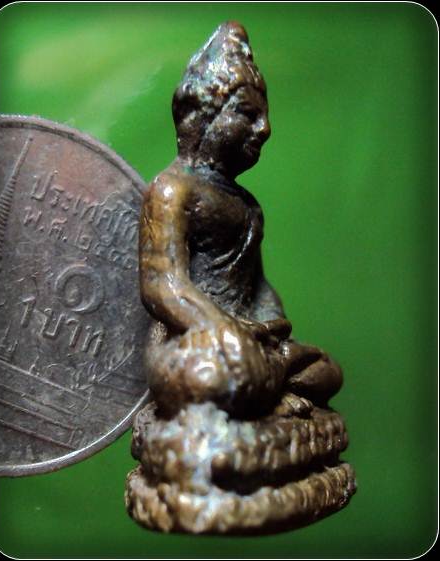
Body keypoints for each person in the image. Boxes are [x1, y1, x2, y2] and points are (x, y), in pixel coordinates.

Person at [139, 21, 342, 418]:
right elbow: (162, 285)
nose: (264, 129)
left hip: (251, 341)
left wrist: (272, 328)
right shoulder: (171, 190)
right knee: (218, 375)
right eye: (248, 114)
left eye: (263, 117)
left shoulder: (247, 204)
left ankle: (265, 384)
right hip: (193, 340)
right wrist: (221, 328)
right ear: (203, 117)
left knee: (326, 372)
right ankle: (266, 387)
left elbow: (258, 286)